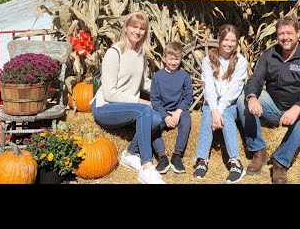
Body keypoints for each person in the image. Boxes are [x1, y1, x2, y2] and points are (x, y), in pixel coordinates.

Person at [237, 16, 300, 184]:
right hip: (275, 106)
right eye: (281, 34)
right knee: (242, 100)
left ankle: (280, 162)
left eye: (289, 33)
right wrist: (252, 97)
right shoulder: (270, 55)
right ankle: (258, 150)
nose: (285, 37)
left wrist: (297, 108)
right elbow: (255, 80)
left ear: (298, 33)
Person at [91, 11, 166, 184]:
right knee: (144, 111)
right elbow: (109, 93)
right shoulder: (114, 53)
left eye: (142, 28)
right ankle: (147, 168)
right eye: (134, 26)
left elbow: (143, 83)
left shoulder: (140, 54)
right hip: (105, 107)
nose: (138, 31)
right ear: (126, 27)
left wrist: (165, 90)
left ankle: (130, 153)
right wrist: (140, 101)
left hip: (129, 107)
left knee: (157, 118)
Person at [193, 24, 249, 183]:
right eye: (226, 40)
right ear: (219, 39)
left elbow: (234, 89)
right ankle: (202, 160)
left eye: (233, 41)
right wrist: (213, 110)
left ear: (237, 42)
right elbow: (208, 87)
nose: (229, 44)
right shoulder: (207, 60)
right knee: (206, 115)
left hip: (230, 102)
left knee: (225, 116)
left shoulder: (241, 62)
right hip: (212, 101)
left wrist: (219, 109)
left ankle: (236, 163)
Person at [150, 41, 193, 174]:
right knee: (152, 124)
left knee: (186, 121)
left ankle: (177, 155)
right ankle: (162, 157)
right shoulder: (157, 77)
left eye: (177, 59)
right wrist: (165, 115)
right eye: (171, 59)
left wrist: (178, 112)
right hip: (162, 110)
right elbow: (155, 100)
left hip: (179, 110)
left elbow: (188, 97)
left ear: (181, 59)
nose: (173, 62)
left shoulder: (184, 76)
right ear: (164, 58)